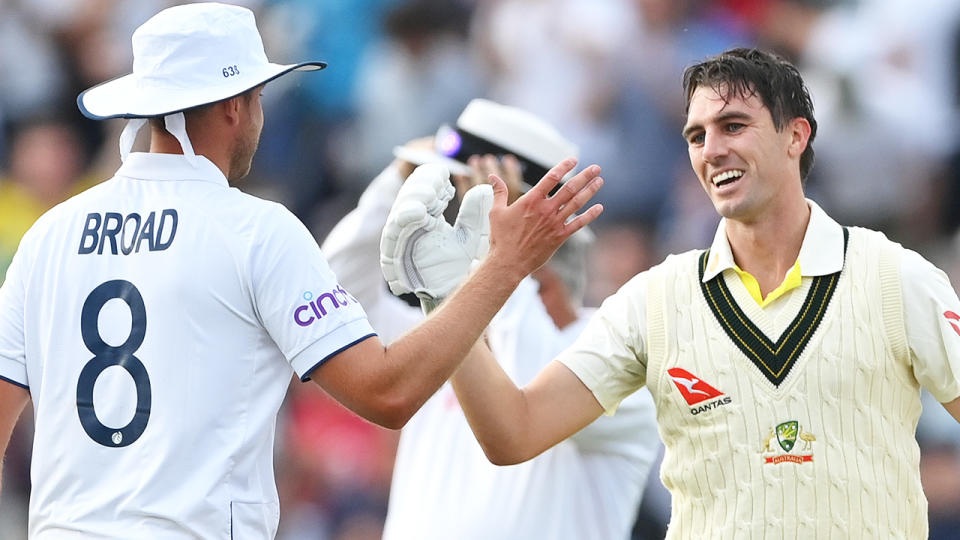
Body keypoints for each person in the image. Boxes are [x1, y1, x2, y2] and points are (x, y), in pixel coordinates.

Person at [0, 4, 604, 539]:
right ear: (236, 106)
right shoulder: (255, 229)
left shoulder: (49, 234)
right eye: (259, 96)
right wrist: (503, 267)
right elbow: (387, 393)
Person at [381, 47, 960, 538]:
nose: (711, 150)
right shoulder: (653, 301)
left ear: (795, 136)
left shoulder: (894, 278)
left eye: (734, 126)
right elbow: (514, 432)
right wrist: (452, 296)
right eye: (696, 135)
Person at [320, 98, 660, 540]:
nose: (450, 240)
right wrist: (398, 181)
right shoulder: (440, 328)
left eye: (468, 222)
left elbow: (522, 389)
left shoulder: (623, 352)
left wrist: (504, 259)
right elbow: (336, 299)